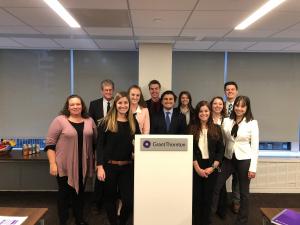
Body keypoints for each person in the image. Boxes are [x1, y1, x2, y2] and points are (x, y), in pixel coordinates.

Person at [45, 94, 97, 225]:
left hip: (83, 164)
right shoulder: (59, 120)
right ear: (67, 106)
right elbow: (50, 144)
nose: (75, 106)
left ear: (82, 105)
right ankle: (63, 221)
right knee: (64, 195)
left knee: (80, 194)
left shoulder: (89, 120)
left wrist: (96, 161)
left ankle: (79, 220)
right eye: (72, 104)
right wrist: (52, 164)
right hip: (64, 165)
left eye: (78, 104)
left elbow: (95, 142)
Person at [211, 96, 259, 225]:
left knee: (244, 193)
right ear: (234, 107)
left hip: (244, 159)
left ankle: (242, 221)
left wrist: (252, 168)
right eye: (237, 105)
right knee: (216, 185)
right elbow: (222, 139)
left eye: (242, 106)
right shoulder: (227, 121)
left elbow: (255, 147)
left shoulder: (252, 123)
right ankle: (209, 215)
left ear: (247, 108)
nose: (239, 108)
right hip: (228, 158)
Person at [96, 92, 141, 225]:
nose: (123, 105)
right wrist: (99, 167)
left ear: (129, 104)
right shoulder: (106, 122)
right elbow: (99, 146)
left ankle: (121, 221)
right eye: (120, 103)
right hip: (109, 166)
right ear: (115, 104)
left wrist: (135, 152)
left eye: (125, 103)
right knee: (109, 199)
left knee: (129, 201)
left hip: (127, 167)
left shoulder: (133, 122)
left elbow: (138, 143)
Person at [190, 101, 224, 225]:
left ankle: (206, 222)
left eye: (206, 111)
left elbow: (220, 150)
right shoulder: (191, 128)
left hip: (211, 167)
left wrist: (213, 167)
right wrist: (197, 168)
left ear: (210, 112)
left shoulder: (217, 129)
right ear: (197, 113)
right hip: (196, 166)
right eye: (201, 111)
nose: (203, 113)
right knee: (197, 197)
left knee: (208, 198)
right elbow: (190, 150)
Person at [89, 79, 115, 210]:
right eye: (106, 90)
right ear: (102, 91)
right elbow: (91, 124)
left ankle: (110, 203)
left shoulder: (118, 103)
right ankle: (96, 203)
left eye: (110, 90)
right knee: (99, 174)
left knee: (111, 175)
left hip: (113, 144)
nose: (109, 92)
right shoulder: (94, 104)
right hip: (99, 143)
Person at [224, 81, 241, 213]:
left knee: (237, 178)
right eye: (227, 90)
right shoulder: (220, 106)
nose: (230, 92)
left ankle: (237, 202)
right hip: (223, 148)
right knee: (220, 177)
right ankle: (221, 202)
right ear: (225, 92)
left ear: (237, 91)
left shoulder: (241, 107)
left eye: (232, 89)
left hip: (238, 149)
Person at [210, 96, 227, 219]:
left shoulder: (227, 120)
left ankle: (221, 210)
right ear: (211, 105)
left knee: (221, 184)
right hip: (211, 154)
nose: (217, 106)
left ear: (223, 106)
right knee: (212, 183)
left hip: (224, 154)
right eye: (215, 103)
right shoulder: (207, 117)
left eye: (220, 103)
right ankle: (210, 209)